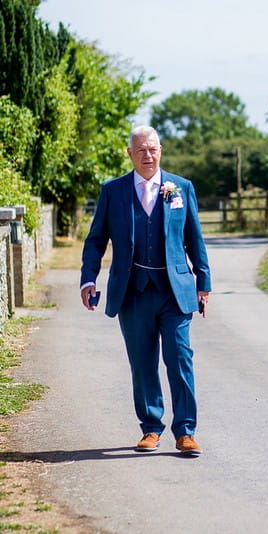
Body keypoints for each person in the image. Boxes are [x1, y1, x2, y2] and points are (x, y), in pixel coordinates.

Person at [80, 125, 211, 456]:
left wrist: (203, 282)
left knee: (179, 358)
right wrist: (89, 278)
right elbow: (96, 239)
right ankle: (151, 428)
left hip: (175, 291)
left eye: (153, 149)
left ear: (161, 150)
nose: (148, 155)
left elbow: (195, 239)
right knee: (142, 362)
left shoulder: (181, 187)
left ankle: (186, 431)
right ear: (130, 154)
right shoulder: (113, 191)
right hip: (133, 291)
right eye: (141, 150)